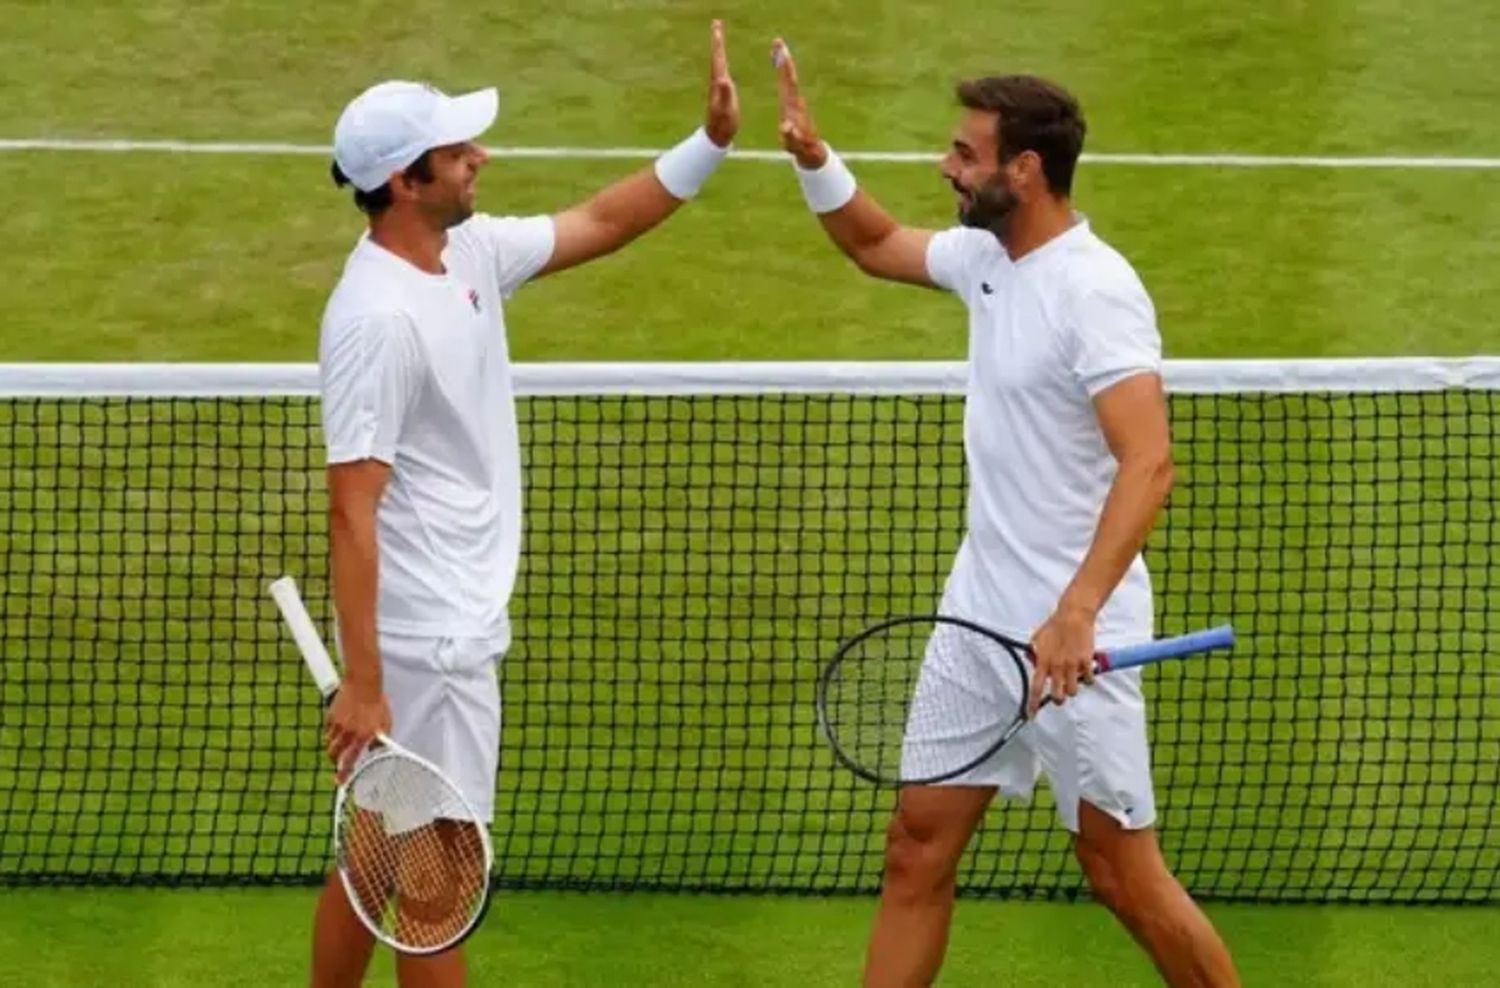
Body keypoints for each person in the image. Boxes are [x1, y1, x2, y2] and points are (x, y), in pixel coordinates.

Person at [770, 39, 1239, 988]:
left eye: (964, 153)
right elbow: (873, 243)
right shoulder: (988, 257)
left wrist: (1075, 611)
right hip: (975, 616)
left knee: (1119, 872)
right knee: (916, 846)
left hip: (1077, 633)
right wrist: (815, 158)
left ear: (1024, 169)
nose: (947, 167)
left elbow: (1148, 463)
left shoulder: (1096, 290)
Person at [312, 22, 740, 988]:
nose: (482, 157)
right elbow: (352, 509)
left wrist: (708, 143)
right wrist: (367, 680)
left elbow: (601, 220)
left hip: (438, 631)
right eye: (458, 152)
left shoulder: (463, 256)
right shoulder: (377, 319)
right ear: (408, 181)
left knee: (379, 843)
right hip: (435, 643)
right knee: (442, 881)